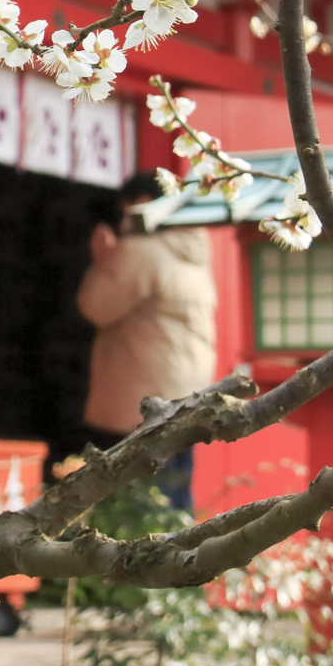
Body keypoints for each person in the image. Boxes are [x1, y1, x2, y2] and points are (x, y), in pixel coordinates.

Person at [75, 171, 218, 512]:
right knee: (174, 493)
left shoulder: (142, 250)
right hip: (187, 390)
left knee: (137, 501)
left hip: (144, 396)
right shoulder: (191, 249)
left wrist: (103, 262)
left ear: (140, 203)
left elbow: (96, 306)